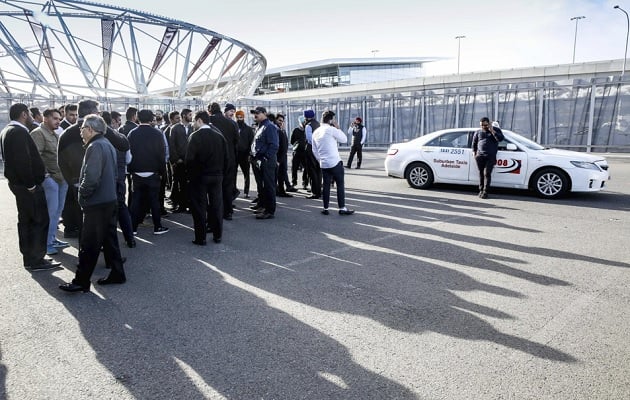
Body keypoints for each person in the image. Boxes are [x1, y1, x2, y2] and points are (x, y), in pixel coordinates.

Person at [59, 114, 126, 293]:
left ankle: (81, 281)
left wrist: (82, 195)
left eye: (82, 129)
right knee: (110, 240)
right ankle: (118, 273)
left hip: (97, 203)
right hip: (109, 200)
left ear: (90, 129)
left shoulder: (95, 146)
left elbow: (91, 178)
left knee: (88, 244)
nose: (80, 132)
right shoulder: (106, 143)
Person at [1, 103, 61, 270]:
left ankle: (29, 257)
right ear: (23, 114)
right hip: (27, 186)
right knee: (37, 220)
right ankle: (36, 259)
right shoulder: (19, 132)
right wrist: (31, 185)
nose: (32, 116)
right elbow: (23, 161)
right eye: (28, 113)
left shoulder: (7, 130)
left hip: (18, 184)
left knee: (26, 220)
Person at [30, 108, 70, 255]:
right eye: (55, 118)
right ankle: (46, 244)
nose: (58, 121)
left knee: (57, 212)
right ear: (45, 118)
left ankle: (52, 238)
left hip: (61, 178)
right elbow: (35, 157)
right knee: (50, 213)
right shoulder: (38, 134)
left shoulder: (54, 134)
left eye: (59, 119)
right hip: (50, 179)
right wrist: (46, 176)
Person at [58, 99, 99, 239]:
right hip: (94, 182)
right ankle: (92, 246)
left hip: (76, 182)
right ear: (91, 113)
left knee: (80, 216)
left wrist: (72, 181)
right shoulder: (97, 131)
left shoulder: (66, 133)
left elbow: (61, 161)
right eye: (97, 112)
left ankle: (86, 248)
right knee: (95, 217)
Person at [186, 111, 227, 245]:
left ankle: (201, 237)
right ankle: (217, 235)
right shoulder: (219, 136)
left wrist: (191, 177)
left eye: (194, 121)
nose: (193, 124)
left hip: (200, 177)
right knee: (216, 205)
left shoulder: (194, 137)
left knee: (199, 207)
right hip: (217, 175)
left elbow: (190, 160)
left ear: (199, 120)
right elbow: (227, 158)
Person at [127, 109, 169, 235]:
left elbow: (129, 153)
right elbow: (161, 154)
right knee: (154, 201)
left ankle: (133, 228)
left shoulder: (132, 133)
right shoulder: (157, 133)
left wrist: (130, 169)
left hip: (137, 172)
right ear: (151, 119)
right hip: (153, 172)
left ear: (137, 118)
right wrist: (162, 171)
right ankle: (157, 227)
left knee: (136, 201)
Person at [311, 110, 355, 216]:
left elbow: (314, 150)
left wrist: (320, 160)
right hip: (335, 162)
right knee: (340, 185)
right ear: (331, 120)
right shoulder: (331, 129)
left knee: (326, 186)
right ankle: (342, 208)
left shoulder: (315, 132)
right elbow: (344, 139)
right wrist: (338, 128)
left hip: (324, 163)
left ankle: (325, 208)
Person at [209, 102, 239, 220]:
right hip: (229, 158)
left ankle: (216, 212)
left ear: (210, 110)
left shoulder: (209, 121)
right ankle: (228, 211)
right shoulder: (231, 123)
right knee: (227, 185)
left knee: (213, 188)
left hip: (213, 159)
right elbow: (237, 140)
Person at [250, 106, 279, 220]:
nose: (255, 115)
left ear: (264, 114)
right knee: (263, 186)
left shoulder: (269, 126)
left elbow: (274, 145)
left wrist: (265, 158)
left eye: (258, 113)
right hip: (259, 160)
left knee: (269, 186)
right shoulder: (261, 126)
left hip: (266, 161)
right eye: (254, 113)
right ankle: (264, 206)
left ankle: (269, 211)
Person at [472, 116, 505, 199]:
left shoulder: (496, 130)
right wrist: (474, 152)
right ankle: (480, 190)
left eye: (485, 125)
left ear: (489, 123)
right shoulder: (478, 132)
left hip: (490, 156)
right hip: (480, 156)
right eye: (481, 125)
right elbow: (474, 143)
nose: (483, 127)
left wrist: (492, 130)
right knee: (480, 173)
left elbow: (500, 139)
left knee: (487, 173)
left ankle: (485, 191)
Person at [168, 108, 191, 213]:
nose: (191, 117)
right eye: (189, 115)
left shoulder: (193, 127)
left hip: (191, 161)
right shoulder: (175, 128)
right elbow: (171, 145)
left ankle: (190, 205)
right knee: (180, 184)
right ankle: (181, 205)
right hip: (180, 161)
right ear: (184, 116)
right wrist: (176, 159)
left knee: (190, 184)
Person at [235, 110, 255, 198]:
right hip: (235, 154)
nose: (239, 119)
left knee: (246, 174)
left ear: (243, 117)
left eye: (241, 117)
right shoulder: (233, 127)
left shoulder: (248, 129)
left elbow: (251, 142)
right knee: (233, 174)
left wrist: (249, 154)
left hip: (244, 154)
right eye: (238, 117)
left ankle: (246, 191)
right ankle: (234, 190)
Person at [274, 113, 295, 196]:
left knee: (282, 173)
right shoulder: (276, 130)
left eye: (282, 121)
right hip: (279, 156)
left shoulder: (281, 129)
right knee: (279, 174)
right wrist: (278, 159)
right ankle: (280, 191)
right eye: (279, 120)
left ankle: (281, 190)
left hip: (283, 156)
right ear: (276, 120)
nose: (281, 122)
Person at [303, 109, 322, 199]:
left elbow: (310, 139)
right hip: (319, 149)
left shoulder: (308, 126)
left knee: (312, 171)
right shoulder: (318, 124)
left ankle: (315, 192)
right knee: (319, 170)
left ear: (306, 117)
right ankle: (319, 190)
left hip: (311, 149)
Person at [290, 116, 309, 190]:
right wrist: (298, 143)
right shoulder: (295, 130)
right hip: (297, 152)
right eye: (303, 122)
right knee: (294, 168)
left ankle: (305, 183)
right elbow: (292, 141)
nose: (304, 124)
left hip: (305, 153)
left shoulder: (307, 130)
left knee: (306, 168)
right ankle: (294, 182)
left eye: (305, 122)